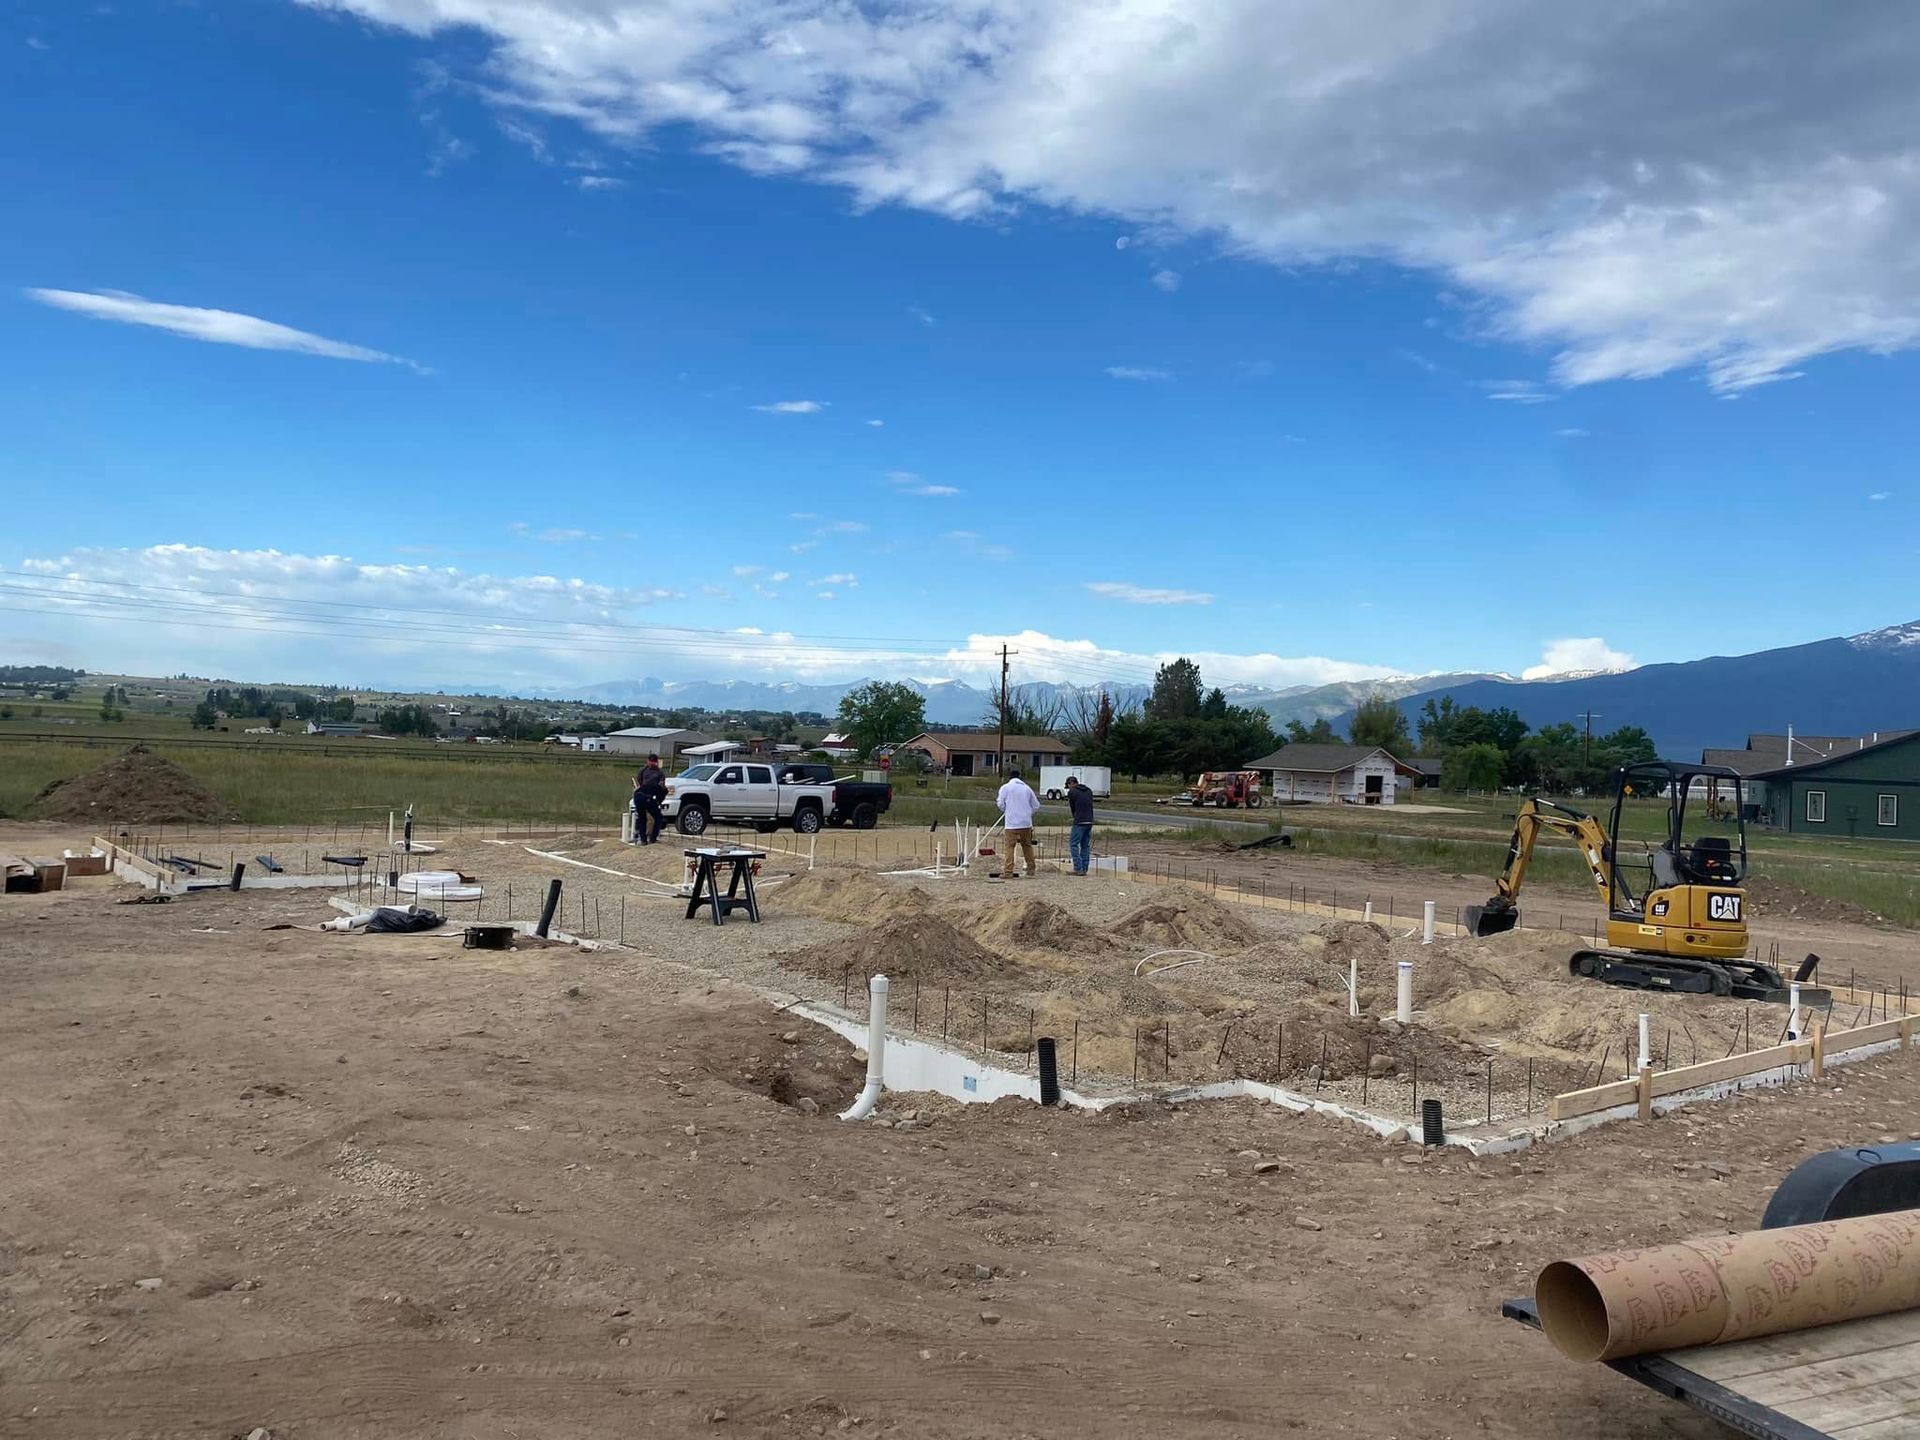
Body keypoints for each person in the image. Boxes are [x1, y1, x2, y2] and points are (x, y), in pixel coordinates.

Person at [994, 766, 1040, 879]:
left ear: (1010, 777)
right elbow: (1036, 805)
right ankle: (1031, 870)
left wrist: (1007, 810)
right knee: (1027, 846)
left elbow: (1000, 803)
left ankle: (1008, 871)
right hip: (1026, 823)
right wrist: (1028, 813)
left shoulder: (1006, 787)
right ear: (1020, 777)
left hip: (1011, 823)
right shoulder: (1027, 788)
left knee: (1009, 847)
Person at [1063, 775, 1095, 875]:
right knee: (1085, 846)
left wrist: (1075, 817)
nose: (1068, 788)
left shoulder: (1072, 792)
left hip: (1079, 821)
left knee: (1074, 844)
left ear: (1070, 784)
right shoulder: (1089, 790)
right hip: (1089, 820)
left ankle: (1078, 868)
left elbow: (1073, 807)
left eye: (1068, 786)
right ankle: (1084, 869)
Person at [634, 754, 667, 845]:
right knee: (658, 817)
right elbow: (662, 788)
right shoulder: (652, 772)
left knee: (642, 819)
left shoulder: (655, 772)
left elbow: (640, 782)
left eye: (653, 762)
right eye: (651, 761)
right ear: (647, 761)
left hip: (640, 795)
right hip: (646, 796)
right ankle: (652, 838)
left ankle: (643, 839)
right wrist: (657, 801)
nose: (652, 763)